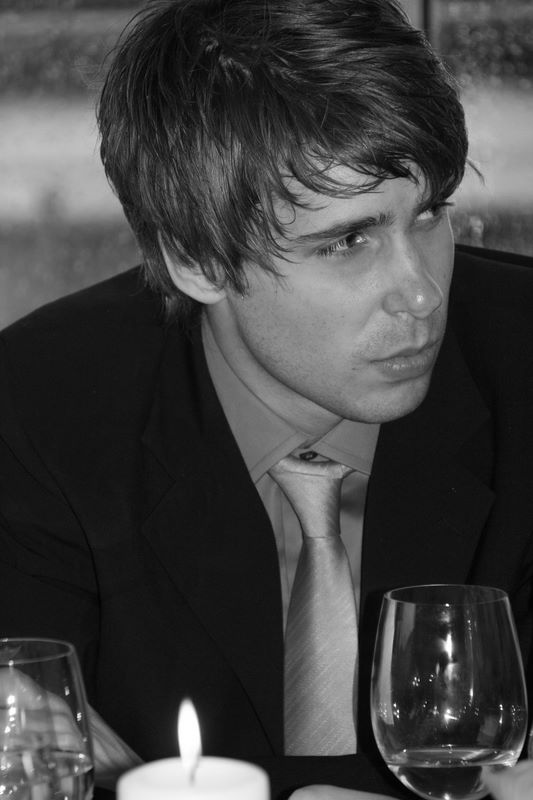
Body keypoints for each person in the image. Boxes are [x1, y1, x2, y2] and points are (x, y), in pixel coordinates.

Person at [1, 0, 532, 798]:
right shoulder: (39, 407)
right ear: (197, 263)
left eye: (428, 214)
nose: (421, 293)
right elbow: (33, 744)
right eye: (347, 241)